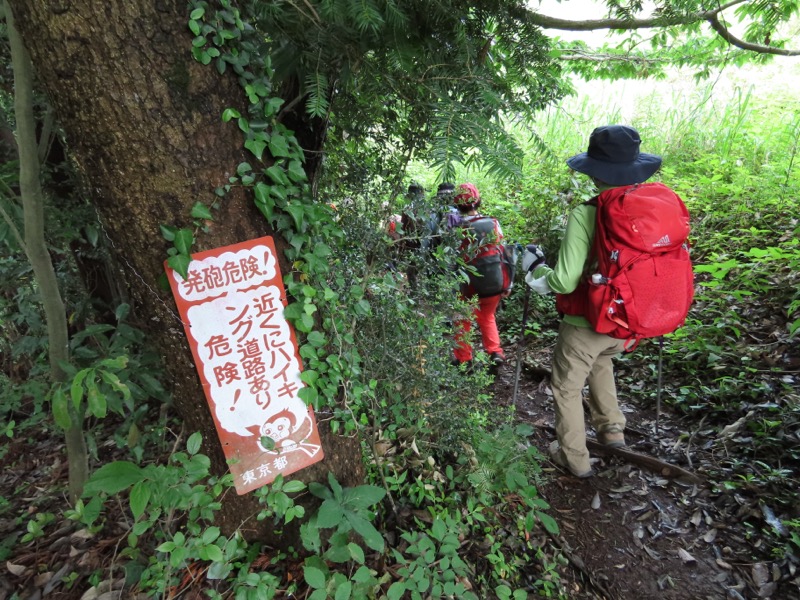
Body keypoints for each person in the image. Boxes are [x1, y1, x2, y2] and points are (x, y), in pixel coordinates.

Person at [524, 125, 663, 478]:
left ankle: (575, 459)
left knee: (566, 387)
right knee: (603, 364)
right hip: (630, 321)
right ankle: (612, 431)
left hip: (588, 322)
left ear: (594, 170)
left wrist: (537, 273)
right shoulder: (651, 210)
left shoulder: (587, 213)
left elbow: (566, 280)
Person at [450, 183, 507, 370]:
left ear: (457, 205)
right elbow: (502, 250)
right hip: (493, 280)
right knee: (487, 316)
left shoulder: (456, 227)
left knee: (462, 320)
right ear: (478, 201)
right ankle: (495, 352)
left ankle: (464, 359)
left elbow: (451, 256)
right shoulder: (493, 223)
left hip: (467, 285)